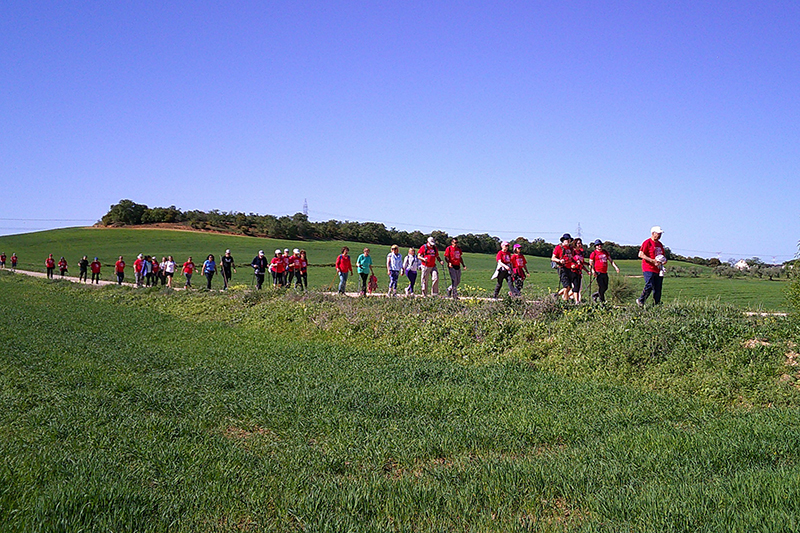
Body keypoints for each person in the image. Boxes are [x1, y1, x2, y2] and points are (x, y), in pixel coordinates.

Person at [637, 226, 667, 307]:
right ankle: (641, 300)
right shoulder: (647, 242)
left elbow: (663, 255)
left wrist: (664, 261)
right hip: (648, 268)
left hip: (658, 269)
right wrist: (652, 260)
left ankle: (656, 304)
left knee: (658, 288)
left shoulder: (660, 244)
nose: (660, 235)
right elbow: (640, 254)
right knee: (649, 285)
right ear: (653, 233)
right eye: (658, 233)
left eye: (660, 234)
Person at [551, 234, 574, 301]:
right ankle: (565, 301)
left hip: (569, 268)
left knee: (569, 287)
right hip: (562, 268)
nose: (569, 241)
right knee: (566, 286)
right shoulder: (559, 247)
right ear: (563, 240)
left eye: (569, 240)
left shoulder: (571, 248)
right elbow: (553, 258)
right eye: (567, 239)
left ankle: (556, 295)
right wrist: (559, 260)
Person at [570, 238, 587, 303]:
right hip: (573, 271)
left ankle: (567, 297)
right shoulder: (572, 251)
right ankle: (577, 301)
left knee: (578, 287)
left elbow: (582, 262)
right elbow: (570, 259)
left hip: (579, 271)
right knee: (576, 287)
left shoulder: (580, 252)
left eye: (580, 243)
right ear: (575, 244)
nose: (580, 245)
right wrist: (573, 264)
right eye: (578, 243)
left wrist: (587, 269)